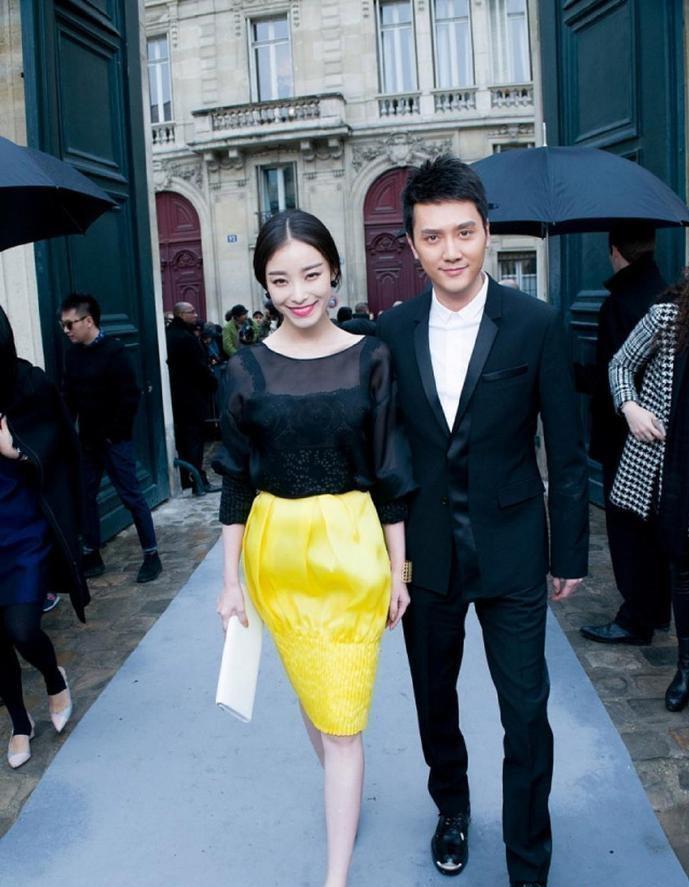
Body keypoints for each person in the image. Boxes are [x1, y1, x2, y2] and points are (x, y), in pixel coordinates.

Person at [376, 155, 589, 887]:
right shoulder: (391, 331)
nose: (451, 251)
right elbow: (383, 452)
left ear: (486, 232)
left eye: (463, 232)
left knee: (526, 712)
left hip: (513, 548)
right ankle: (452, 807)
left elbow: (567, 451)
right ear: (412, 245)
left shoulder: (535, 324)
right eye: (433, 236)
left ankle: (529, 859)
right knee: (434, 701)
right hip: (426, 555)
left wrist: (569, 553)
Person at [216, 208, 415, 887]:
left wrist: (398, 569)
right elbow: (235, 482)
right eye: (279, 280)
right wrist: (229, 581)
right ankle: (343, 792)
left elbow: (389, 470)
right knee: (314, 694)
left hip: (352, 554)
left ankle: (335, 876)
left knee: (342, 719)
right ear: (264, 286)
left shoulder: (371, 355)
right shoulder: (243, 369)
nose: (297, 293)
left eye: (310, 274)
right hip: (276, 557)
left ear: (334, 272)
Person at [0, 306, 88, 768]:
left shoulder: (29, 384)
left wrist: (17, 451)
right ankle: (20, 723)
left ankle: (54, 677)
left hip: (21, 529)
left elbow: (60, 448)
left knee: (21, 628)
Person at [577, 223, 670, 645]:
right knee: (655, 527)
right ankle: (656, 609)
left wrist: (570, 373)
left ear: (615, 251)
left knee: (628, 530)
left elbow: (612, 374)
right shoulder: (667, 294)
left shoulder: (620, 303)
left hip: (625, 433)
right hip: (663, 433)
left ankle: (636, 617)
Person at [608, 279, 689, 711]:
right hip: (671, 459)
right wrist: (631, 408)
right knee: (681, 563)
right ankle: (686, 667)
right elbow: (620, 364)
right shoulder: (667, 318)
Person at [60, 294, 162, 584]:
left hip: (114, 441)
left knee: (131, 496)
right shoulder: (72, 354)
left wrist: (113, 433)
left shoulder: (115, 352)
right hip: (87, 441)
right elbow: (68, 396)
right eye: (62, 325)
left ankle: (151, 555)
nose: (66, 330)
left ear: (88, 321)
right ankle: (92, 553)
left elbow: (129, 397)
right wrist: (68, 431)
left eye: (70, 324)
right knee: (86, 496)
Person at [166, 302, 218, 494]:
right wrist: (212, 382)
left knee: (185, 440)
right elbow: (198, 367)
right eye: (191, 312)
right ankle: (198, 481)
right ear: (181, 314)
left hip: (178, 397)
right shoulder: (186, 338)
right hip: (191, 397)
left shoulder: (171, 334)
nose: (196, 315)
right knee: (194, 439)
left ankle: (187, 478)